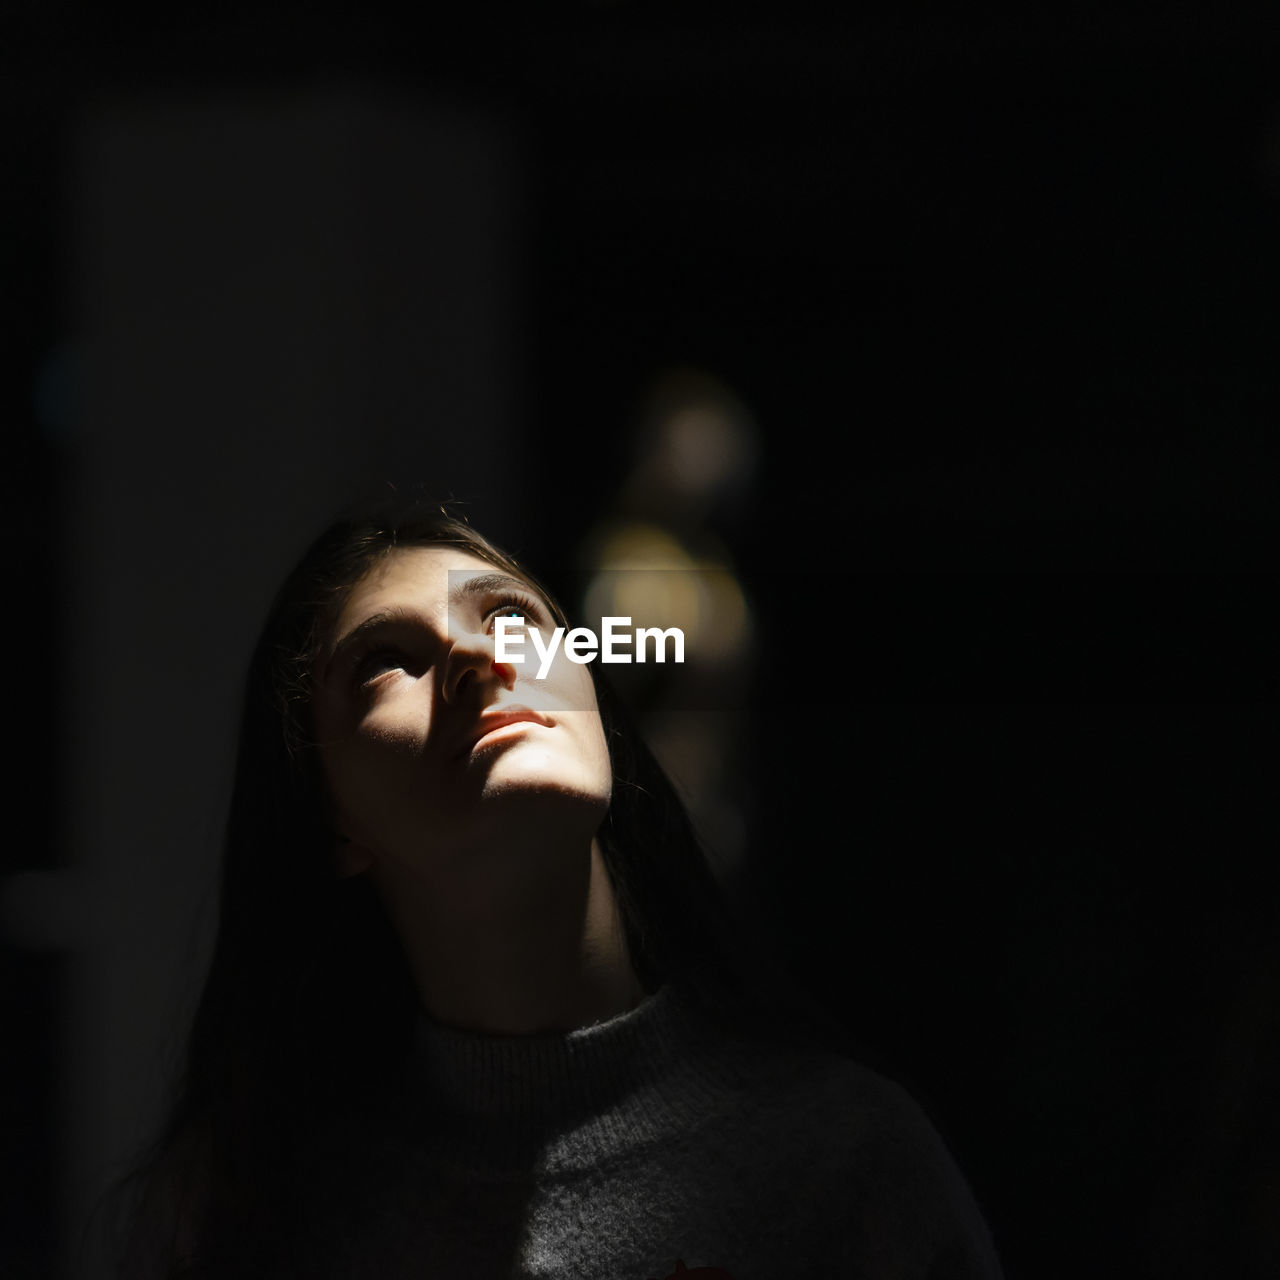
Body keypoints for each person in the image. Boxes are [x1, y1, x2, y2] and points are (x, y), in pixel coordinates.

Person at [114, 498, 1004, 1279]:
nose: (480, 662)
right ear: (329, 819)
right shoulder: (233, 1217)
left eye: (514, 621)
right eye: (387, 660)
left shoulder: (846, 1166)